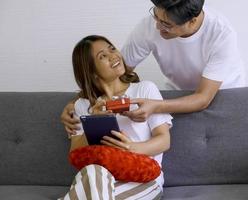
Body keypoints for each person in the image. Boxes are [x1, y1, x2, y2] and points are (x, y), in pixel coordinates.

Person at [61, 0, 245, 134]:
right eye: (155, 16)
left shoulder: (221, 35)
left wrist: (155, 106)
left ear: (192, 21)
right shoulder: (150, 25)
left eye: (166, 24)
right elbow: (116, 71)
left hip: (222, 95)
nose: (157, 27)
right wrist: (76, 103)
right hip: (176, 94)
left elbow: (203, 98)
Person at [61, 35, 172, 200]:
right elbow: (75, 152)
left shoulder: (144, 90)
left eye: (111, 49)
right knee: (92, 172)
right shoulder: (82, 105)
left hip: (143, 178)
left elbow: (164, 140)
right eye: (102, 56)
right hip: (102, 176)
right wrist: (94, 120)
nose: (113, 56)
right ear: (92, 72)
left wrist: (131, 148)